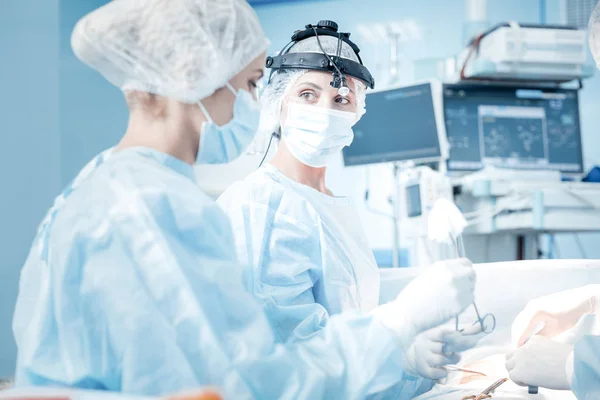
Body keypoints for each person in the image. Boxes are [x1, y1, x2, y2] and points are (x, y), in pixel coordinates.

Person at [12, 1, 477, 399]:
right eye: (254, 83)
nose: (256, 103)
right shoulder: (154, 207)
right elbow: (254, 385)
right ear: (192, 75)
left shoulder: (103, 183)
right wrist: (397, 329)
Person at [217, 21, 483, 398]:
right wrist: (399, 347)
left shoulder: (325, 204)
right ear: (277, 104)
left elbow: (344, 322)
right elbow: (292, 361)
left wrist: (410, 349)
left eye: (341, 99)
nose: (326, 109)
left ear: (358, 112)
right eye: (308, 94)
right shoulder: (264, 206)